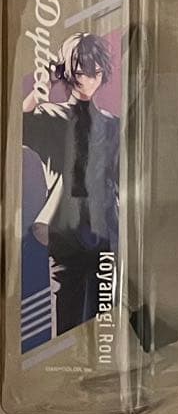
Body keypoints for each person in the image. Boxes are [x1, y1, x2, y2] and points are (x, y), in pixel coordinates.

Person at [22, 33, 120, 337]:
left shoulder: (112, 123)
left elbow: (120, 178)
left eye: (95, 71)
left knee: (106, 318)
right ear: (68, 72)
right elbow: (17, 126)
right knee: (66, 316)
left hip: (105, 229)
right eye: (80, 72)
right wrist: (42, 87)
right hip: (66, 230)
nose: (88, 79)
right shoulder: (52, 115)